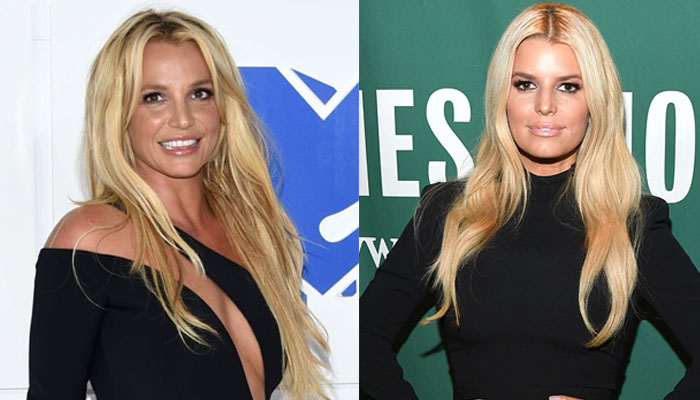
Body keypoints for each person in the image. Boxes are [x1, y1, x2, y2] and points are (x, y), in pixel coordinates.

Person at [360, 2, 700, 400]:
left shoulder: (632, 222)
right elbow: (363, 336)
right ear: (501, 95)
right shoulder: (448, 213)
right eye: (525, 84)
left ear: (596, 100)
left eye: (568, 86)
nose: (545, 105)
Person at [28, 10, 328, 400]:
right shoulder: (90, 239)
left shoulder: (253, 233)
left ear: (223, 108)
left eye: (200, 93)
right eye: (154, 98)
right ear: (118, 114)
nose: (183, 119)